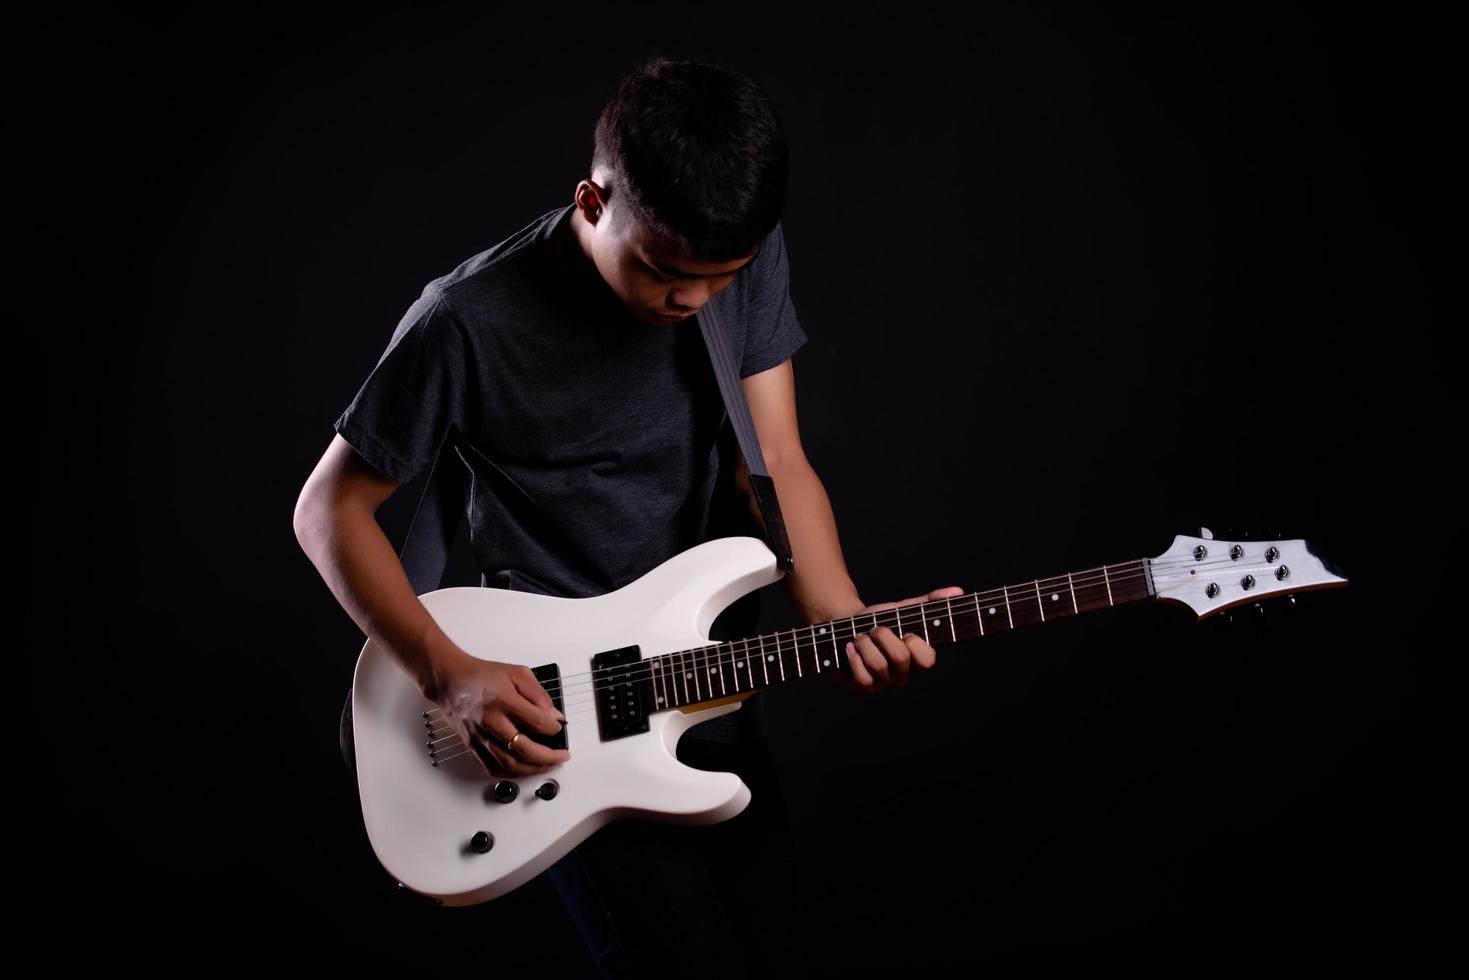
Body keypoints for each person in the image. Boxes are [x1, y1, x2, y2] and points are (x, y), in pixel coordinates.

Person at [293, 55, 964, 977]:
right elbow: (326, 510)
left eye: (718, 279)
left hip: (710, 689)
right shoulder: (465, 321)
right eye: (662, 272)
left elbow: (774, 460)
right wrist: (447, 672)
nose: (689, 299)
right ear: (591, 202)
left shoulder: (739, 250)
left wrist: (839, 613)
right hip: (559, 723)